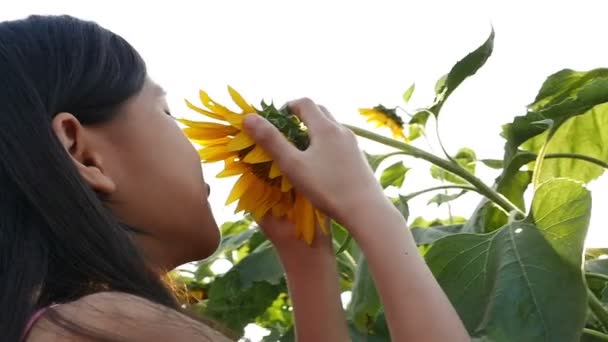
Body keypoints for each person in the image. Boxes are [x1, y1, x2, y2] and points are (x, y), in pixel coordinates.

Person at [0, 14, 469, 342]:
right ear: (82, 152)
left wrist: (306, 256)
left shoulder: (50, 322)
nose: (195, 149)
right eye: (166, 112)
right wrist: (372, 211)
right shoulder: (104, 325)